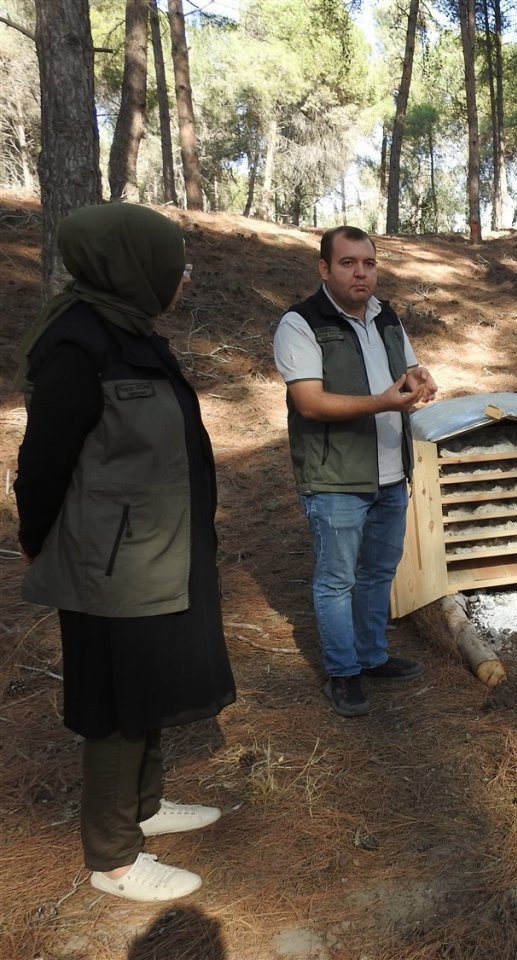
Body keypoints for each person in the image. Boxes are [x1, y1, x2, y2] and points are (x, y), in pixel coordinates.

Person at [15, 203, 236, 903]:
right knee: (114, 706)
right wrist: (38, 543)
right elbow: (42, 465)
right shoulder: (77, 347)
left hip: (154, 554)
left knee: (147, 687)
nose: (184, 278)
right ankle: (113, 859)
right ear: (133, 268)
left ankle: (143, 805)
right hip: (110, 567)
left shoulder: (130, 332)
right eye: (176, 266)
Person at [273, 225, 437, 718]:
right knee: (337, 580)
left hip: (391, 472)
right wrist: (383, 401)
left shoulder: (386, 315)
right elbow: (310, 402)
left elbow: (407, 370)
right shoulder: (301, 323)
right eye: (347, 263)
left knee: (379, 572)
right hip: (335, 478)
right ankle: (343, 673)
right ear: (324, 269)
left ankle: (372, 656)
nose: (360, 273)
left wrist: (419, 377)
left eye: (368, 263)